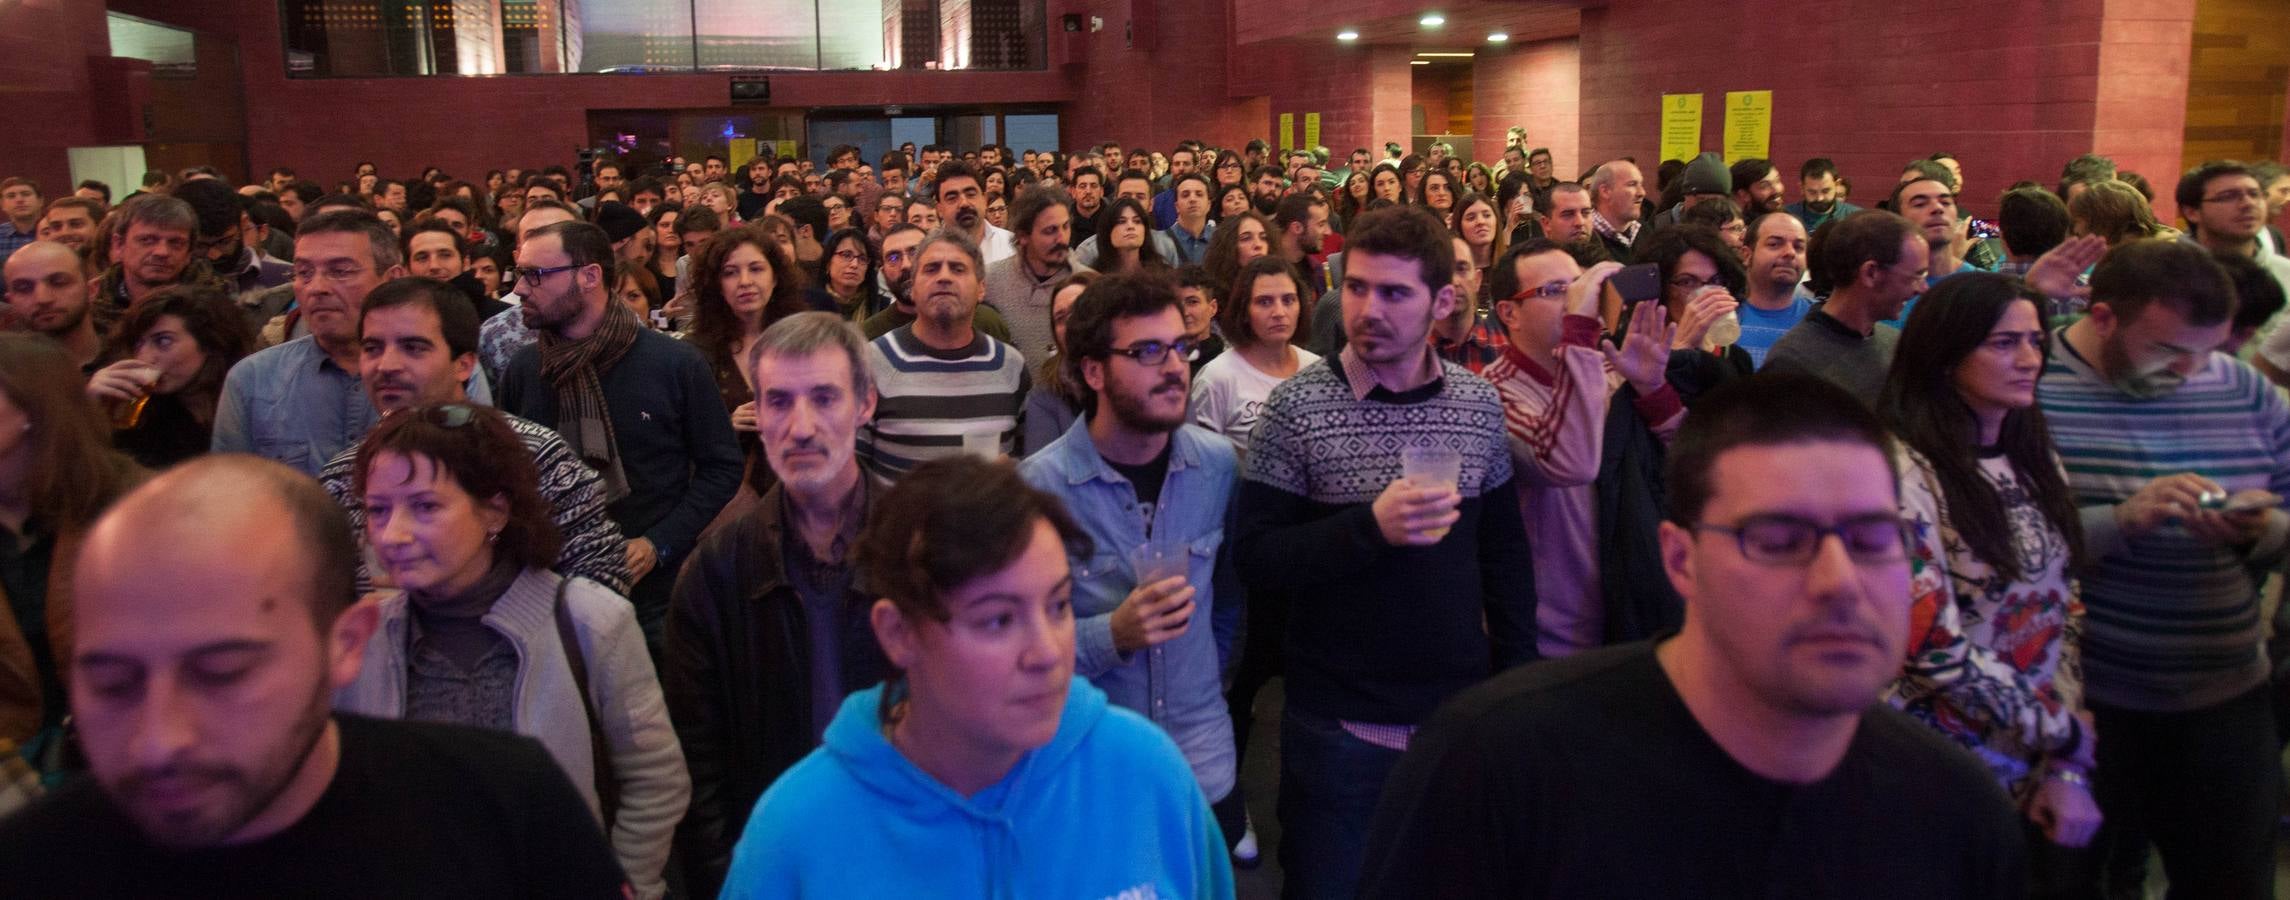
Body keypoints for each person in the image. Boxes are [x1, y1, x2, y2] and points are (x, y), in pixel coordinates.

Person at [1358, 372, 2027, 897]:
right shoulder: (1500, 763)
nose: (1839, 581)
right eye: (1778, 539)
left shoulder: (1957, 811)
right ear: (1681, 560)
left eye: (1873, 538)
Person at [0, 456, 631, 896]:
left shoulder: (507, 806)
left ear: (346, 643)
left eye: (222, 674)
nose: (159, 739)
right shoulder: (33, 865)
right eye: (112, 683)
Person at [718, 455, 1233, 898]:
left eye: (1057, 606)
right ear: (899, 633)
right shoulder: (796, 835)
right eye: (997, 619)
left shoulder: (1148, 773)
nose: (1048, 653)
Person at [1234, 207, 1534, 899]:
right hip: (1337, 721)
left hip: (1454, 713)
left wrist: (1515, 684)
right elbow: (1257, 559)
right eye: (1359, 287)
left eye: (1394, 293)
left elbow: (1504, 559)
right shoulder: (1295, 408)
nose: (1368, 309)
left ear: (1444, 300)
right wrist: (1369, 528)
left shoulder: (1476, 405)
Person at [334, 403, 687, 898]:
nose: (393, 534)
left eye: (425, 506)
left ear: (494, 511)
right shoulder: (362, 640)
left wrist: (621, 882)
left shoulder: (589, 621)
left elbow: (656, 779)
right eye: (377, 510)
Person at [2038, 239, 2290, 896]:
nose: (2190, 370)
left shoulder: (2240, 386)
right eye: (2169, 351)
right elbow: (1998, 542)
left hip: (2223, 694)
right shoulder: (2032, 385)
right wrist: (2123, 521)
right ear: (2102, 319)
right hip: (2083, 700)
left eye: (2207, 349)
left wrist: (2260, 530)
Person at [1875, 273, 2101, 883]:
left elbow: (2065, 606)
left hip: (2033, 753)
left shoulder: (2031, 455)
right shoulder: (1902, 470)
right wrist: (2063, 733)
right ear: (1945, 356)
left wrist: (2064, 759)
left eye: (2035, 341)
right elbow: (1927, 648)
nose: (2029, 359)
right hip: (1933, 763)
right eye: (2004, 344)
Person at [1018, 270, 1247, 862]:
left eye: (1179, 347)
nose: (1174, 366)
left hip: (1201, 760)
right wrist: (1111, 636)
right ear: (1093, 371)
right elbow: (1017, 648)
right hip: (1090, 764)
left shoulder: (1217, 467)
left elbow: (1228, 600)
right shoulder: (1038, 490)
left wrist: (1209, 674)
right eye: (1147, 351)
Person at [664, 312, 893, 898]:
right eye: (779, 401)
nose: (801, 426)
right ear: (756, 415)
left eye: (824, 398)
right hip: (775, 861)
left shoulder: (925, 548)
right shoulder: (716, 570)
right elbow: (698, 757)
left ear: (865, 404)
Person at [495, 221, 744, 649]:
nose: (519, 288)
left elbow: (720, 467)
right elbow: (502, 476)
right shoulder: (523, 370)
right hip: (545, 589)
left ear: (589, 276)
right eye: (519, 273)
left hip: (650, 595)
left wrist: (658, 543)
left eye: (535, 275)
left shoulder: (674, 364)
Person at [313, 276, 629, 593]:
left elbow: (602, 578)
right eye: (372, 348)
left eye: (413, 347)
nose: (386, 365)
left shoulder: (533, 456)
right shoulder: (344, 476)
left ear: (463, 364)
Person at [1478, 239, 1683, 659]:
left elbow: (1690, 466)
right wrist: (1580, 332)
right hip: (1550, 638)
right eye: (1556, 292)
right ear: (1508, 313)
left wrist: (1652, 388)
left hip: (1631, 618)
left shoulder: (1608, 367)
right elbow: (1570, 463)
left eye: (1578, 288)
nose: (1575, 302)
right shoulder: (1493, 395)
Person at [212, 210, 420, 477]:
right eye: (304, 273)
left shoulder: (437, 371)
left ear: (393, 278)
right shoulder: (253, 380)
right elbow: (229, 496)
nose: (316, 287)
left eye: (340, 271)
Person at [856, 230, 1030, 478]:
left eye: (958, 269)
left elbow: (1026, 460)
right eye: (931, 269)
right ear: (913, 288)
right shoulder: (872, 362)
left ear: (981, 289)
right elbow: (854, 474)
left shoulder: (1010, 366)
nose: (944, 277)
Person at [687, 223, 813, 490]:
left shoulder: (804, 340)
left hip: (799, 486)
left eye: (756, 269)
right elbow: (681, 439)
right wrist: (726, 426)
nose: (745, 281)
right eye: (730, 273)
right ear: (717, 285)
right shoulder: (696, 352)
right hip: (727, 495)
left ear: (775, 277)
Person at [1764, 211, 1925, 405]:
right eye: (1916, 276)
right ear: (1871, 273)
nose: (1923, 289)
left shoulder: (1895, 345)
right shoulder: (1793, 363)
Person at [86, 284, 250, 469]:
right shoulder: (139, 415)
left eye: (163, 341)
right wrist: (88, 412)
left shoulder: (251, 405)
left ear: (210, 342)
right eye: (138, 343)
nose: (145, 357)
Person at [1189, 256, 1320, 455]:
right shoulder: (1217, 378)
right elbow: (1199, 462)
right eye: (1264, 302)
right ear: (1244, 311)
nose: (1279, 312)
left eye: (1288, 300)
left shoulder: (1316, 370)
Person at [984, 186, 1089, 363]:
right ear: (1023, 236)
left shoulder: (1089, 284)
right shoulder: (990, 281)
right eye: (1050, 230)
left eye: (1065, 227)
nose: (1062, 238)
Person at [1018, 271, 1096, 457]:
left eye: (1080, 309)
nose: (1070, 322)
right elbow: (1040, 478)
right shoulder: (1045, 397)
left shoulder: (1138, 379)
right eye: (1060, 318)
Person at [3, 240, 104, 371]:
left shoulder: (131, 349)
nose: (43, 299)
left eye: (59, 282)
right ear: (11, 301)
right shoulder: (6, 370)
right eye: (24, 288)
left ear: (91, 290)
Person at [1735, 212, 1815, 367]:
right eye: (1774, 244)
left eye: (1799, 247)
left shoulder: (1820, 321)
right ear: (1746, 255)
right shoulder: (1720, 315)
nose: (1790, 253)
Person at [1585, 160, 1647, 261]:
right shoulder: (1583, 238)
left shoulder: (1646, 232)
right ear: (1605, 191)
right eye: (1632, 184)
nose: (1642, 193)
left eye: (1641, 185)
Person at [1785, 157, 1862, 232]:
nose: (1819, 198)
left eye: (1825, 191)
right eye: (1812, 192)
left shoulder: (1856, 218)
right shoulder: (1785, 216)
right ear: (1802, 188)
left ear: (1837, 185)